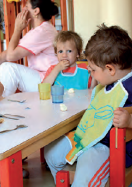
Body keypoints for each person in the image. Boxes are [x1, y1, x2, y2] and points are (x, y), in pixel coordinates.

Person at [44, 24, 132, 187]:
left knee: (83, 182)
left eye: (92, 70)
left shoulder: (129, 87)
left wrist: (129, 121)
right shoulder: (107, 82)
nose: (90, 73)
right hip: (87, 133)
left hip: (107, 146)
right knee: (51, 154)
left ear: (110, 69)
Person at [0, 0, 59, 97]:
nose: (23, 9)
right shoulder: (40, 30)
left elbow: (10, 56)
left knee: (7, 68)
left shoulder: (41, 32)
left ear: (36, 11)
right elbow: (13, 50)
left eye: (26, 6)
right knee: (5, 68)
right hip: (42, 77)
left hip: (47, 80)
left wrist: (17, 29)